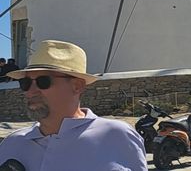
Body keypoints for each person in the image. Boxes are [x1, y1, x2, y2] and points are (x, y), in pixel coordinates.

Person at [0, 39, 146, 170]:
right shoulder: (12, 143)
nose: (30, 91)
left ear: (77, 85)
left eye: (42, 81)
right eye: (25, 83)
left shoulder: (117, 136)